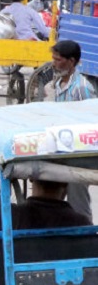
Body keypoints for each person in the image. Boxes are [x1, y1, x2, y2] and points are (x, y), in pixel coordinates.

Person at [43, 40, 96, 221]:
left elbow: (91, 125)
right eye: (53, 59)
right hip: (62, 148)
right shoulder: (57, 84)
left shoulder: (81, 88)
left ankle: (86, 234)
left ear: (71, 62)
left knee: (76, 194)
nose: (54, 63)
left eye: (58, 60)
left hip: (81, 154)